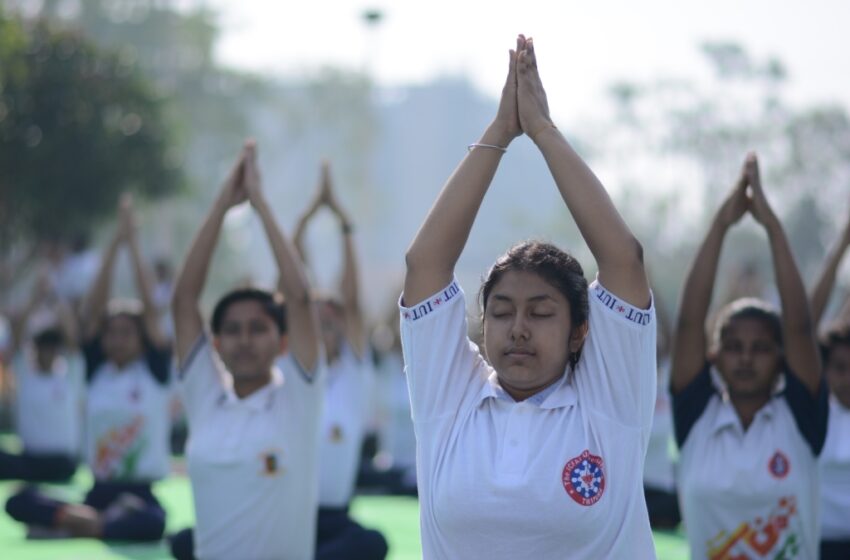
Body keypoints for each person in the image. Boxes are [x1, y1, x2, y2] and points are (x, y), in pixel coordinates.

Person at [401, 35, 656, 558]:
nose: (518, 328)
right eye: (501, 312)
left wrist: (541, 130)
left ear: (580, 330)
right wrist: (499, 131)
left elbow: (623, 259)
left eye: (541, 313)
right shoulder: (450, 397)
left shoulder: (609, 400)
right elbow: (424, 264)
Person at [169, 141, 323, 560]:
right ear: (216, 344)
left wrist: (260, 204)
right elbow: (184, 300)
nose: (244, 339)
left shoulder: (296, 398)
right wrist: (222, 205)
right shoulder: (205, 398)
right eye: (233, 330)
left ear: (283, 342)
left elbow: (298, 297)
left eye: (258, 328)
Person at [670, 154, 828, 560]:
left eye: (760, 348)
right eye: (734, 347)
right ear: (714, 356)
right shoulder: (696, 416)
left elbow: (800, 328)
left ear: (781, 357)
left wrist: (773, 228)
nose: (745, 358)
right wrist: (720, 225)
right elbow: (689, 322)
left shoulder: (800, 418)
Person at [5, 195, 172, 541]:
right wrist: (114, 244)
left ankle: (79, 525)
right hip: (98, 492)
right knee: (18, 501)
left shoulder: (154, 374)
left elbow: (152, 309)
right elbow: (94, 309)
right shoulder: (96, 373)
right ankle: (97, 522)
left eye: (127, 332)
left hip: (139, 494)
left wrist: (133, 243)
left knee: (155, 523)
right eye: (111, 333)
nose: (117, 339)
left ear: (142, 340)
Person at [293, 161, 388, 560]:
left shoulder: (351, 374)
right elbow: (294, 283)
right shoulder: (291, 371)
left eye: (330, 323)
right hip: (286, 516)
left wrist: (344, 223)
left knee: (372, 544)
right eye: (315, 321)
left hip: (334, 521)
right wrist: (305, 219)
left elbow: (350, 301)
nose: (323, 328)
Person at [0, 271, 83, 483]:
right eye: (43, 346)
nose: (48, 351)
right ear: (35, 348)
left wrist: (54, 298)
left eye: (52, 346)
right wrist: (35, 298)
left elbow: (72, 337)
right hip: (29, 461)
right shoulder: (26, 375)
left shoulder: (69, 374)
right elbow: (17, 336)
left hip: (63, 463)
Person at [808, 212, 850, 560]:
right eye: (839, 368)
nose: (847, 378)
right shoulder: (815, 407)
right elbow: (805, 328)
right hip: (817, 548)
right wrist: (843, 243)